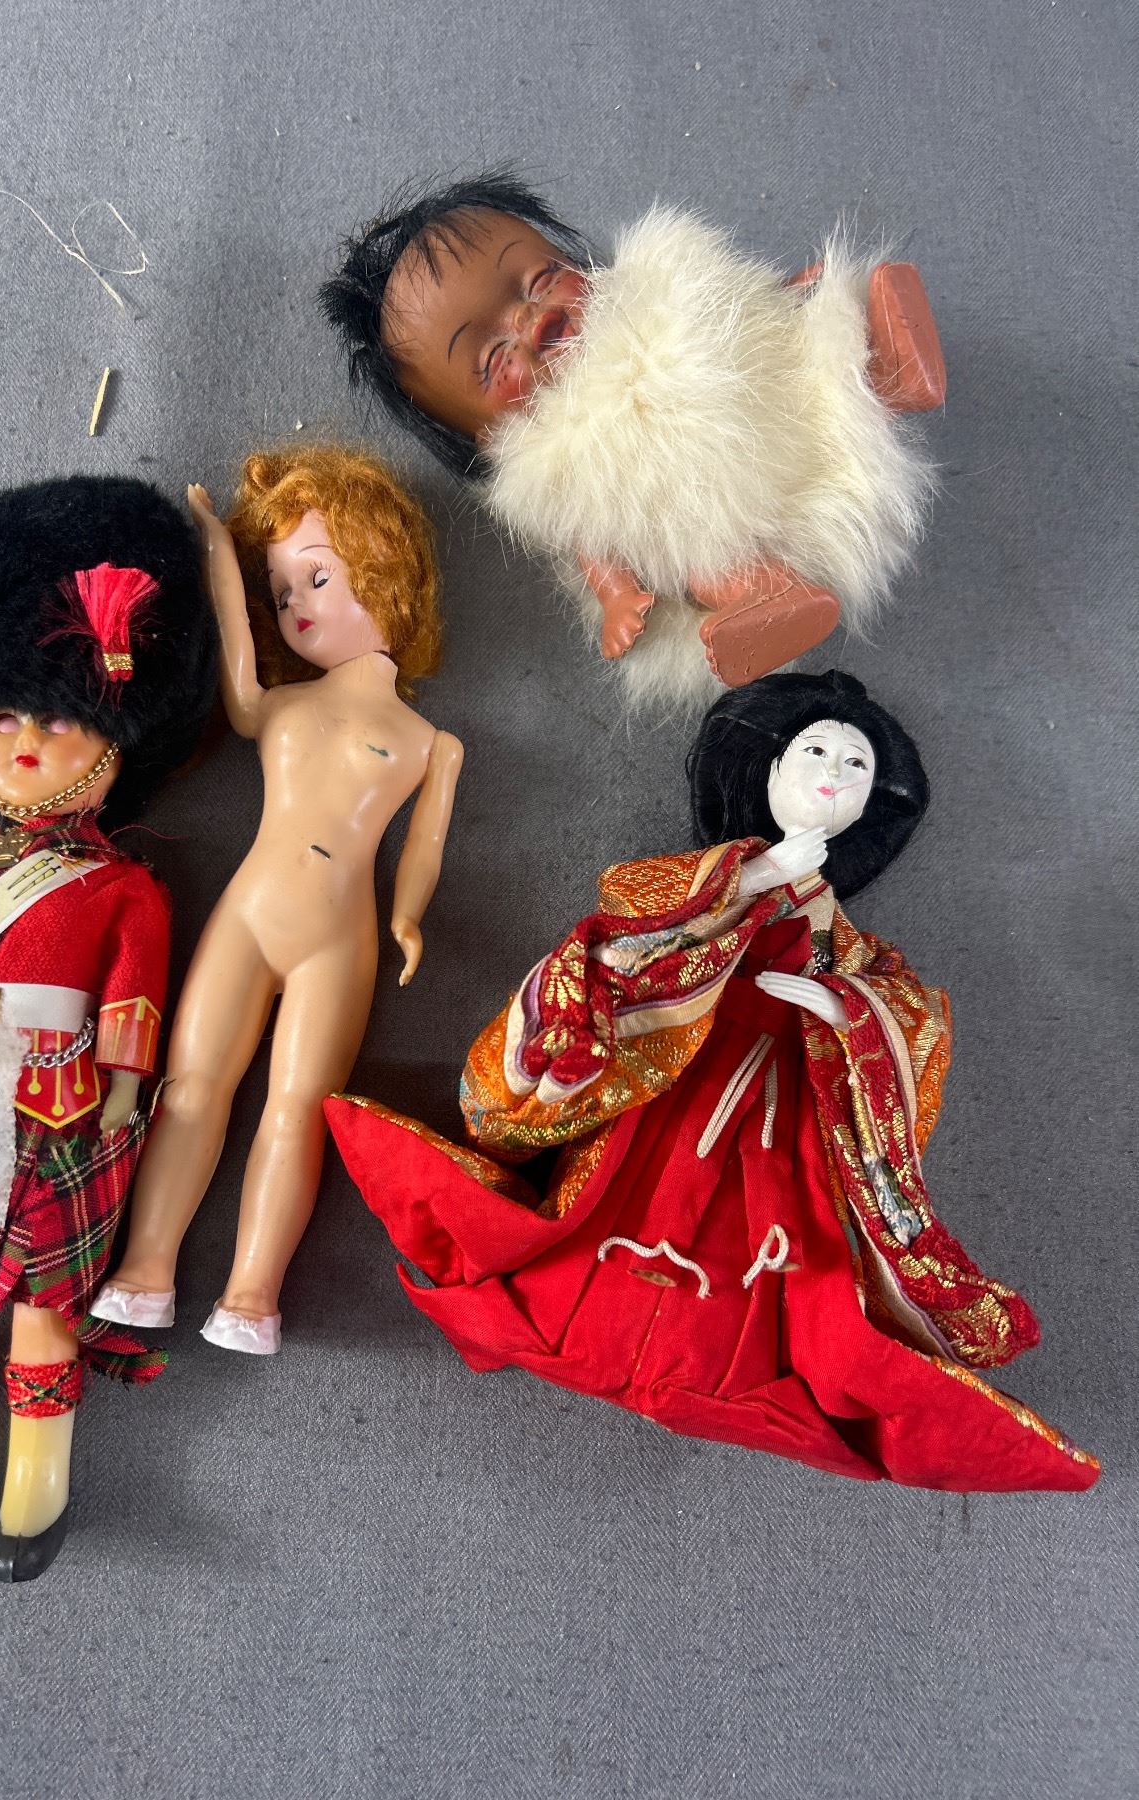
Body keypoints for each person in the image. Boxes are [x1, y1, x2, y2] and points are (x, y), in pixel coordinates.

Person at [324, 671, 1098, 1493]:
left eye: (856, 767)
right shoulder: (691, 883)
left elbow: (915, 1026)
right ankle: (572, 1321)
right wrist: (751, 883)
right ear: (770, 769)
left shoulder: (858, 953)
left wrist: (846, 1010)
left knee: (759, 1272)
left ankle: (719, 1372)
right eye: (815, 753)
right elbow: (616, 944)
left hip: (777, 1120)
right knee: (615, 1215)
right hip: (673, 1086)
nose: (833, 775)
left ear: (871, 803)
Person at [0, 476, 216, 1580]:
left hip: (62, 1103)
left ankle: (37, 1475)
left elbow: (132, 999)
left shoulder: (124, 888)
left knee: (43, 1304)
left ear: (110, 747)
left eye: (59, 719)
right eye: (6, 718)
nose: (26, 740)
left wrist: (123, 1092)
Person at [92, 447, 464, 1356]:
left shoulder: (431, 743)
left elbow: (422, 845)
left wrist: (408, 916)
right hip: (250, 911)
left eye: (318, 577)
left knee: (297, 1107)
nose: (296, 604)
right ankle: (146, 1268)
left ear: (382, 568)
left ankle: (253, 1294)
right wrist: (219, 550)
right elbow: (239, 651)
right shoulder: (277, 707)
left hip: (342, 938)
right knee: (190, 1086)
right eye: (283, 589)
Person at [322, 174, 944, 705]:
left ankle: (894, 368)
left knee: (817, 362)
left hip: (773, 407)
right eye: (491, 359)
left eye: (541, 279)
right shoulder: (559, 469)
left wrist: (786, 298)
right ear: (485, 437)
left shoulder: (659, 294)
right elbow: (595, 541)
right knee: (701, 572)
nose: (529, 320)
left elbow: (745, 315)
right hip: (720, 528)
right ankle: (775, 597)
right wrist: (618, 597)